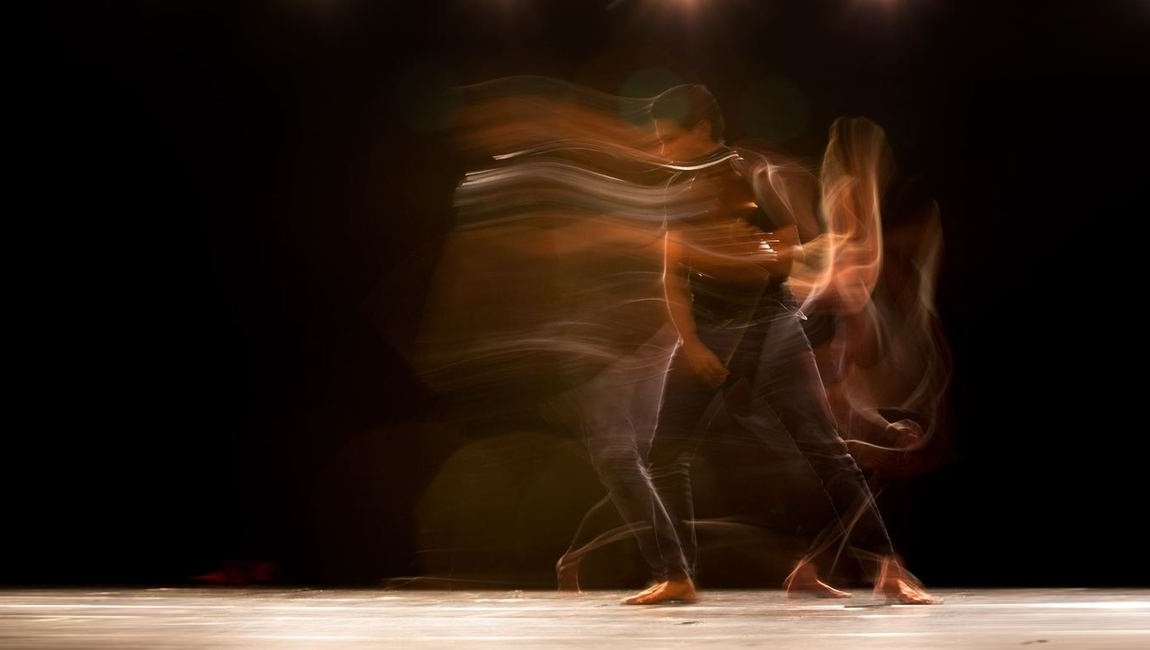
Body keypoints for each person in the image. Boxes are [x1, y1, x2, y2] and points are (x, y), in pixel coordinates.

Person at [621, 84, 938, 606]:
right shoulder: (675, 189)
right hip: (709, 330)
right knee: (663, 453)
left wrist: (735, 257)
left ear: (701, 131)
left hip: (769, 326)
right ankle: (677, 573)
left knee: (824, 449)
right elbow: (672, 273)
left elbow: (783, 258)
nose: (662, 150)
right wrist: (692, 342)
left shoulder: (745, 176)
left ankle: (890, 568)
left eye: (669, 138)